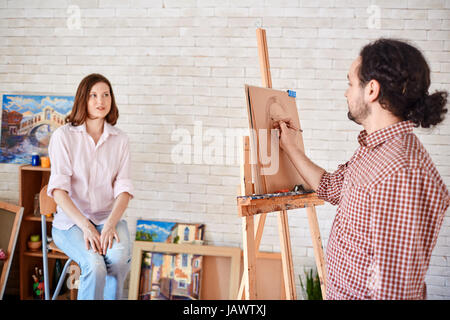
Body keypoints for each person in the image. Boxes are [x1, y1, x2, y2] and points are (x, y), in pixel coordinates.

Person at [279, 39, 450, 299]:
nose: (347, 93)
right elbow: (331, 188)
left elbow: (394, 291)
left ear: (371, 90)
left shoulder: (401, 172)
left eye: (350, 83)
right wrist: (291, 148)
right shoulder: (374, 151)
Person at [47, 73, 134, 300]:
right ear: (82, 99)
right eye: (93, 95)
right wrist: (87, 227)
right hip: (71, 223)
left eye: (106, 95)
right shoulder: (63, 136)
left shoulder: (120, 140)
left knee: (118, 260)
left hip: (108, 218)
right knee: (95, 265)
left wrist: (110, 225)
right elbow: (58, 190)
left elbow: (124, 190)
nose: (100, 101)